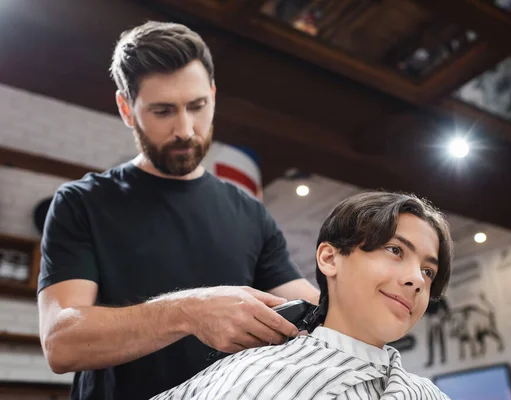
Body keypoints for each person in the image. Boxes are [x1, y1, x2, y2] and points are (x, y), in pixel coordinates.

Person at [36, 21, 319, 400]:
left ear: (213, 96)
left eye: (197, 106)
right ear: (126, 108)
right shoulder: (81, 202)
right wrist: (188, 312)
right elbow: (61, 341)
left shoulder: (250, 213)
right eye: (163, 111)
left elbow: (313, 303)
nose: (185, 129)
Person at [151, 190, 454, 400]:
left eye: (428, 271)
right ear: (330, 258)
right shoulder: (255, 374)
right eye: (395, 250)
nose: (417, 279)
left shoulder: (426, 393)